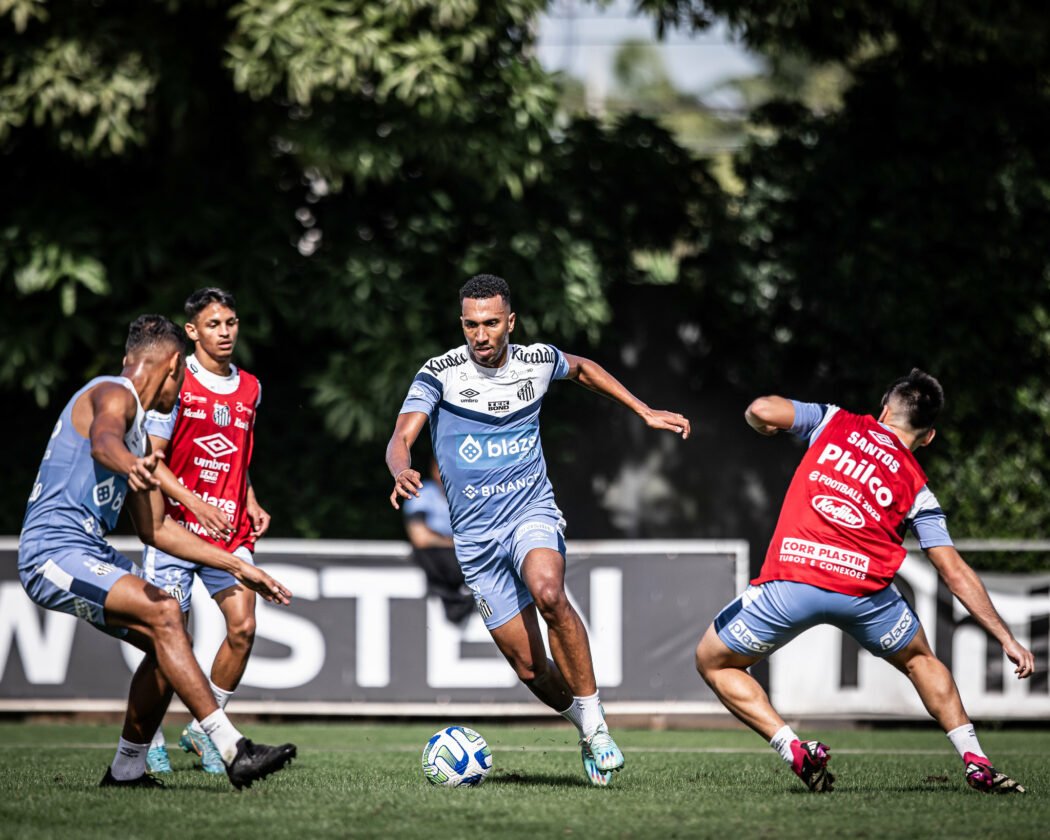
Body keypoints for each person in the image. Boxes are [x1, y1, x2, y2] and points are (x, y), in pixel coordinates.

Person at [385, 274, 691, 787]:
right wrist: (400, 469)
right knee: (531, 669)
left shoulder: (536, 361)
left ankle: (597, 728)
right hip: (476, 541)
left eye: (490, 324)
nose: (480, 336)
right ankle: (583, 727)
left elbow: (584, 369)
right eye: (470, 325)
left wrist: (643, 410)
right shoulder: (439, 374)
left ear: (511, 322)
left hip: (530, 511)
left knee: (549, 593)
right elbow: (402, 434)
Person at [695, 369, 1034, 794]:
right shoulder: (917, 488)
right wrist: (1006, 637)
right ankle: (976, 761)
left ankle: (794, 748)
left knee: (714, 660)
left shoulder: (833, 421)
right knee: (920, 661)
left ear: (885, 409)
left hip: (793, 579)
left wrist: (760, 424)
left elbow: (762, 409)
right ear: (928, 437)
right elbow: (953, 571)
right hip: (866, 596)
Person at [18, 314, 296, 789]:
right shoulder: (113, 393)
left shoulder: (141, 434)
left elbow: (158, 530)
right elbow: (104, 442)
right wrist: (132, 466)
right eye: (183, 376)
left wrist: (240, 567)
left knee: (169, 643)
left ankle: (127, 771)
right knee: (167, 613)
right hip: (52, 550)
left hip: (88, 550)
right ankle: (233, 749)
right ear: (173, 366)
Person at [139, 288, 270, 774]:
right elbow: (153, 461)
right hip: (175, 527)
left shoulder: (251, 387)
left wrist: (249, 497)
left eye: (231, 323)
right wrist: (193, 501)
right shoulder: (177, 382)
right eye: (214, 325)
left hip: (228, 529)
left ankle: (202, 730)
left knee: (244, 626)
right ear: (192, 331)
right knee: (170, 640)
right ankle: (147, 735)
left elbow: (239, 455)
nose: (225, 332)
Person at [402, 457, 475, 624]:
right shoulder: (422, 493)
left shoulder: (472, 495)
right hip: (440, 558)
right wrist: (455, 542)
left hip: (464, 554)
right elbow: (420, 537)